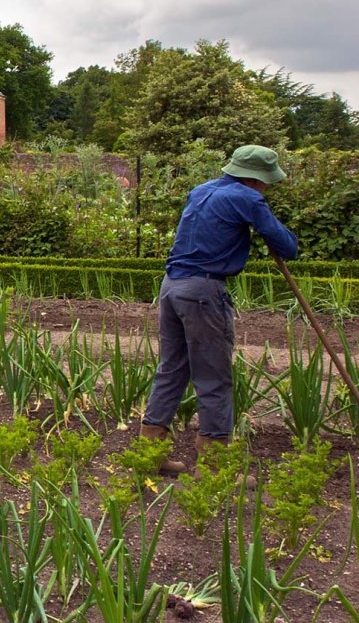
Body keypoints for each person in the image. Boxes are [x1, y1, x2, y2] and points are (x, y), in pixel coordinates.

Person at [139, 145, 298, 475]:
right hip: (203, 292)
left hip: (172, 287)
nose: (268, 187)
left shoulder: (201, 191)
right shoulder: (248, 198)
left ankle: (148, 457)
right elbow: (288, 247)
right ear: (257, 179)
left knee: (171, 371)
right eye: (268, 182)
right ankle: (214, 469)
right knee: (213, 378)